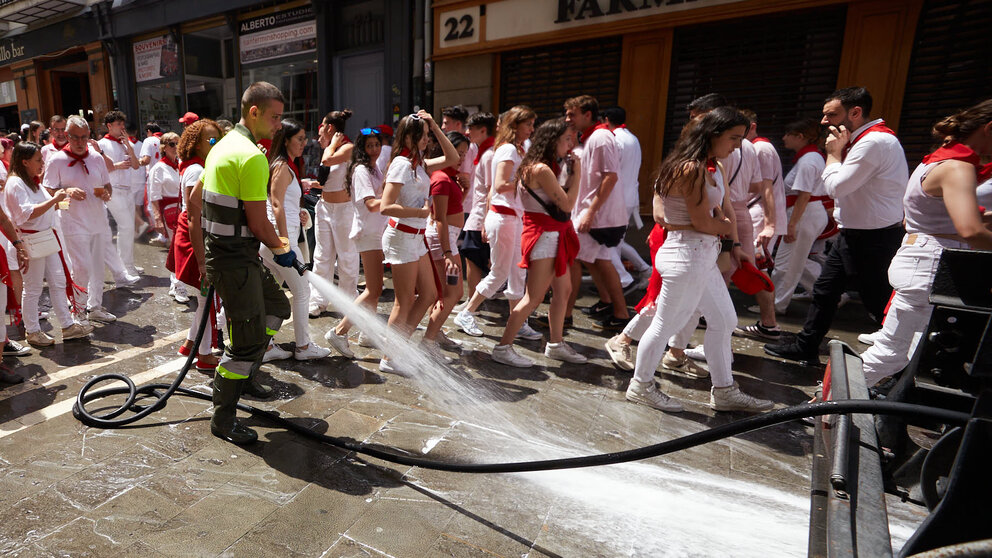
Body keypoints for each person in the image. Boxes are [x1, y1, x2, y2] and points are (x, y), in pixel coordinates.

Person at [626, 107, 773, 413]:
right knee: (666, 324)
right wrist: (718, 226)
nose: (737, 145)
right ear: (711, 134)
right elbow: (691, 221)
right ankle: (640, 386)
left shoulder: (710, 166)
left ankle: (724, 390)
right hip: (687, 255)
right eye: (733, 137)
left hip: (698, 254)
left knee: (724, 320)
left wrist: (726, 236)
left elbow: (711, 214)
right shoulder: (689, 168)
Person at [765, 87, 909, 364]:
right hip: (856, 234)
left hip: (873, 238)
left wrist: (833, 155)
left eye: (830, 114)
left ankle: (903, 362)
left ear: (855, 113)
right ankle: (806, 346)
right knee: (825, 291)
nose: (823, 121)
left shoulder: (873, 142)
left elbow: (835, 186)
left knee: (878, 301)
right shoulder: (865, 141)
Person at [860, 101, 992, 387]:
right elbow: (970, 229)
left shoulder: (936, 160)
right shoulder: (958, 167)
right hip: (931, 265)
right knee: (893, 353)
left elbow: (934, 218)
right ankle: (823, 403)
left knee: (908, 352)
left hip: (921, 257)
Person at [192, 81, 294, 445]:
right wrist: (283, 249)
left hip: (230, 257)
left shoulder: (222, 147)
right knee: (244, 342)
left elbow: (194, 199)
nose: (279, 124)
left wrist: (205, 256)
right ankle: (223, 417)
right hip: (235, 261)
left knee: (278, 304)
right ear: (254, 112)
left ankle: (247, 375)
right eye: (275, 117)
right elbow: (258, 222)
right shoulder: (251, 156)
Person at [496, 118, 586, 366]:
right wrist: (578, 175)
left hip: (552, 234)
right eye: (566, 139)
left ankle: (556, 343)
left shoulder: (537, 167)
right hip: (545, 236)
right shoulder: (540, 169)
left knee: (563, 290)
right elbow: (567, 204)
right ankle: (503, 347)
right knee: (533, 297)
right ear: (552, 141)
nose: (570, 144)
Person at [453, 106, 541, 348]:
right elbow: (500, 184)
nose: (532, 130)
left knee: (516, 273)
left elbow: (496, 188)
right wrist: (529, 179)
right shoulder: (508, 149)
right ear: (516, 126)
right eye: (528, 125)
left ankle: (518, 320)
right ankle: (467, 312)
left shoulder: (517, 148)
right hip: (504, 218)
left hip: (510, 217)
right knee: (500, 272)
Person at [378, 111, 459, 373]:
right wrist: (420, 213)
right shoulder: (402, 164)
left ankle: (399, 349)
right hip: (401, 236)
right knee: (404, 301)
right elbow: (385, 206)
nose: (427, 140)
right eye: (424, 136)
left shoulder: (420, 163)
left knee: (429, 294)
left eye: (428, 136)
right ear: (411, 137)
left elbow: (453, 158)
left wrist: (434, 125)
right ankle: (389, 358)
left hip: (416, 237)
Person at [3, 142, 94, 347]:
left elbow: (41, 207)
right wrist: (54, 201)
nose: (41, 163)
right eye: (38, 159)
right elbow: (26, 214)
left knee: (58, 281)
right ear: (24, 162)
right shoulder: (15, 183)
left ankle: (67, 325)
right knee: (33, 287)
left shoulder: (33, 181)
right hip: (29, 240)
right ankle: (33, 331)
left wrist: (59, 202)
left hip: (46, 237)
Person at [258, 119, 331, 362]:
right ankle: (303, 346)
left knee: (272, 293)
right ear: (286, 140)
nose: (304, 143)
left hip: (276, 241)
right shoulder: (281, 166)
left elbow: (282, 203)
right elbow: (276, 204)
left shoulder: (286, 166)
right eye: (299, 138)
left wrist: (298, 213)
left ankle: (265, 346)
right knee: (302, 292)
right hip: (278, 242)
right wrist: (283, 243)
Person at [42, 116, 119, 325]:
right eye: (75, 137)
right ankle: (78, 311)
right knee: (81, 266)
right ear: (67, 136)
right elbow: (47, 190)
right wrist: (66, 191)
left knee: (96, 265)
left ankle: (94, 307)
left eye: (84, 137)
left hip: (98, 219)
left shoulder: (96, 158)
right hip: (72, 220)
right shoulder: (56, 159)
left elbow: (107, 185)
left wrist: (106, 194)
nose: (80, 141)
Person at [563, 95, 629, 330]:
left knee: (572, 259)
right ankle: (618, 312)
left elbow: (610, 176)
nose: (568, 118)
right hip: (595, 213)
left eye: (572, 114)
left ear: (587, 114)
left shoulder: (600, 138)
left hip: (596, 215)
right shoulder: (592, 138)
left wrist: (590, 212)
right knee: (600, 261)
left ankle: (565, 315)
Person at [324, 128, 388, 356]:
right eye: (369, 145)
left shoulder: (374, 167)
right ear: (362, 147)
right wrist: (394, 201)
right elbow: (371, 204)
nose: (374, 150)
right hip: (368, 233)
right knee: (373, 289)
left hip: (375, 232)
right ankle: (340, 331)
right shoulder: (361, 169)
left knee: (375, 289)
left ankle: (366, 333)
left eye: (377, 145)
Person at [169, 119, 223, 371]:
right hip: (195, 236)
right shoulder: (196, 170)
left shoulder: (196, 167)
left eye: (217, 139)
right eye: (211, 140)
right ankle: (204, 355)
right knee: (206, 297)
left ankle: (191, 343)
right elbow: (193, 217)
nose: (216, 144)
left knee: (204, 299)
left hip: (195, 233)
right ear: (195, 143)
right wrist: (202, 260)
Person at [769, 119, 829, 314]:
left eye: (788, 134)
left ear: (800, 137)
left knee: (786, 264)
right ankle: (829, 294)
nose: (784, 138)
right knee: (797, 261)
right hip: (807, 212)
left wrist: (792, 224)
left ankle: (776, 305)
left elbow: (804, 195)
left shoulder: (809, 160)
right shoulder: (812, 157)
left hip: (804, 213)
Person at [422, 131, 470, 356]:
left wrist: (465, 189)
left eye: (464, 154)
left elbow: (452, 208)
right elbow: (439, 217)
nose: (461, 158)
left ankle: (435, 333)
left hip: (446, 239)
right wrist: (448, 252)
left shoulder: (448, 176)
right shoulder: (441, 177)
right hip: (443, 240)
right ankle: (428, 341)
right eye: (458, 153)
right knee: (452, 293)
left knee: (446, 292)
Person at [308, 109, 359, 316]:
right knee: (321, 257)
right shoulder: (331, 147)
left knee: (347, 258)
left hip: (344, 210)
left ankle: (348, 302)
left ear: (329, 128)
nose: (320, 128)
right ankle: (318, 301)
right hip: (324, 207)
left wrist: (329, 146)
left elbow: (328, 162)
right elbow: (325, 178)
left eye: (322, 125)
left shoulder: (346, 147)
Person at [602, 106, 651, 289]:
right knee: (617, 242)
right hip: (630, 197)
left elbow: (609, 172)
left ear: (606, 120)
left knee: (607, 244)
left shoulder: (615, 140)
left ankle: (623, 280)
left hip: (616, 198)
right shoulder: (633, 138)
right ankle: (644, 269)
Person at [98, 111, 141, 280]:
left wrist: (129, 147)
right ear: (109, 126)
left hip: (127, 189)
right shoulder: (101, 144)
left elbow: (136, 166)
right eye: (118, 124)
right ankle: (126, 266)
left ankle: (127, 262)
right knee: (127, 226)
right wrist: (117, 166)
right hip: (113, 190)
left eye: (123, 124)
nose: (122, 127)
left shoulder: (125, 142)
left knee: (129, 228)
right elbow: (100, 170)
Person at [459, 112, 497, 302]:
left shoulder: (490, 155)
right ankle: (472, 301)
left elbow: (492, 190)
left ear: (483, 130)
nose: (467, 132)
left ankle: (472, 303)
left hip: (482, 216)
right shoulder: (485, 152)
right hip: (479, 215)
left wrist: (486, 222)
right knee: (473, 258)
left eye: (471, 128)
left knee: (475, 259)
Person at [148, 131, 188, 303]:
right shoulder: (158, 168)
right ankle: (179, 286)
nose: (176, 147)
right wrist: (157, 219)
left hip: (183, 209)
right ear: (164, 148)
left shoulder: (182, 164)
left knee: (177, 249)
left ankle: (175, 284)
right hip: (169, 212)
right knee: (179, 248)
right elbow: (154, 196)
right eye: (172, 144)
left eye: (178, 143)